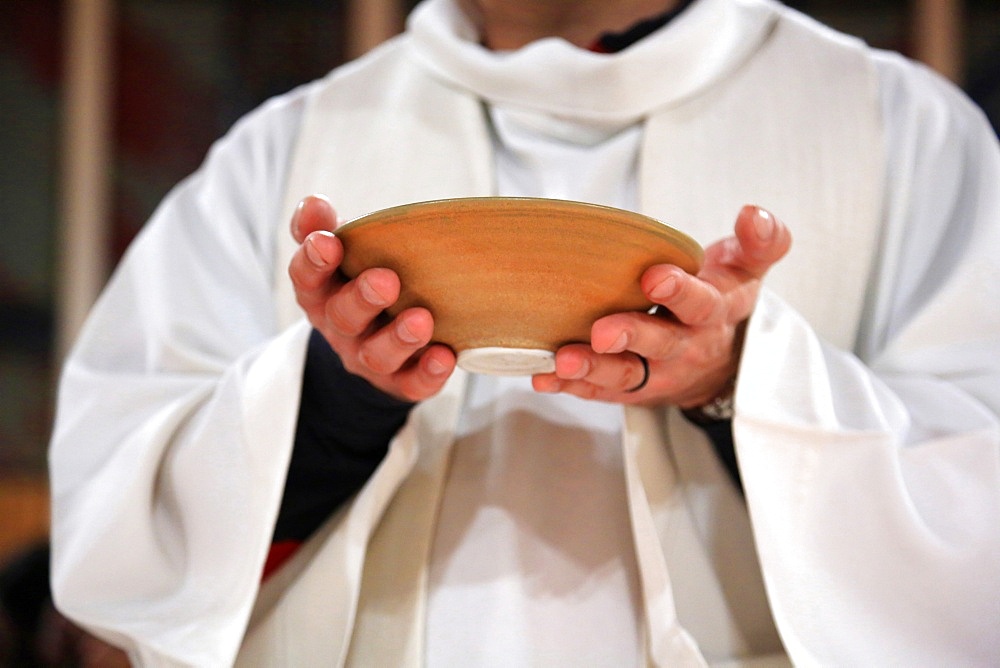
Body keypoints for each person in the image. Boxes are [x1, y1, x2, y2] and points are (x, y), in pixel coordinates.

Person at [48, 0, 1000, 665]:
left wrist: (741, 376)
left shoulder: (900, 126)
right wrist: (338, 391)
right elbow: (117, 517)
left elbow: (976, 505)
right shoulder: (278, 147)